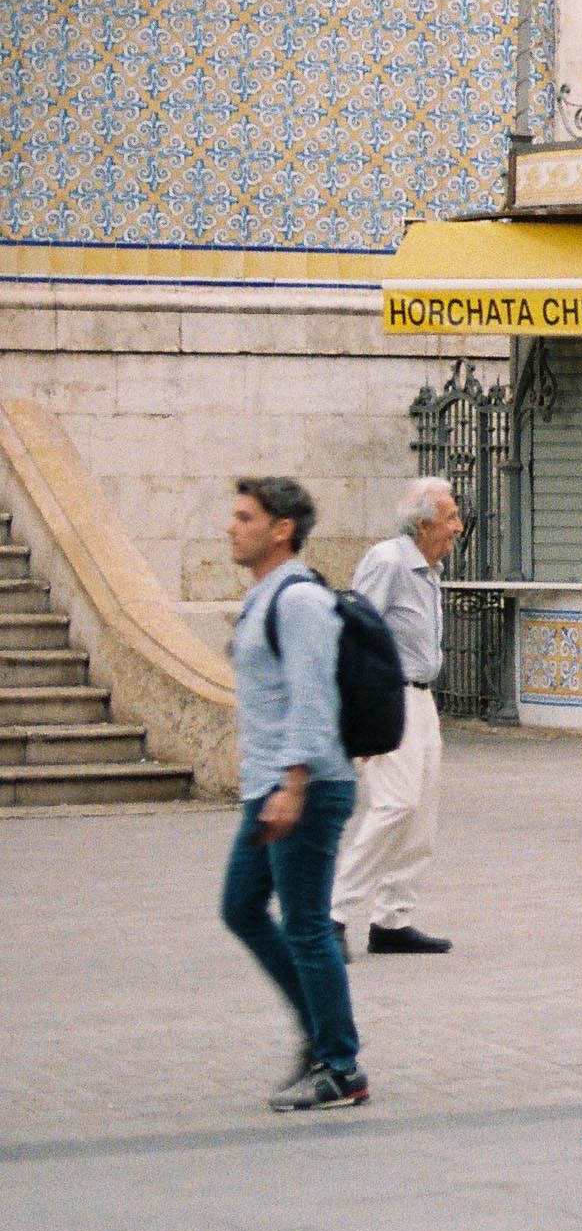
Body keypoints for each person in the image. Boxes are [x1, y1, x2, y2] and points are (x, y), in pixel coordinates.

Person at [221, 476, 369, 1112]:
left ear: (281, 529)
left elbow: (314, 695)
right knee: (242, 906)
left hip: (304, 785)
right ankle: (318, 1038)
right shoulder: (265, 597)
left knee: (306, 924)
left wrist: (295, 783)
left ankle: (340, 1064)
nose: (232, 527)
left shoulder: (300, 601)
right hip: (272, 783)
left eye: (244, 516)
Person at [334, 476, 463, 957]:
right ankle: (336, 913)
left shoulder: (429, 570)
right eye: (450, 518)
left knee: (422, 811)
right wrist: (357, 716)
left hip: (423, 700)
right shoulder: (388, 561)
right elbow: (354, 632)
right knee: (396, 804)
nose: (458, 527)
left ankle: (393, 919)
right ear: (424, 523)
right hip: (389, 697)